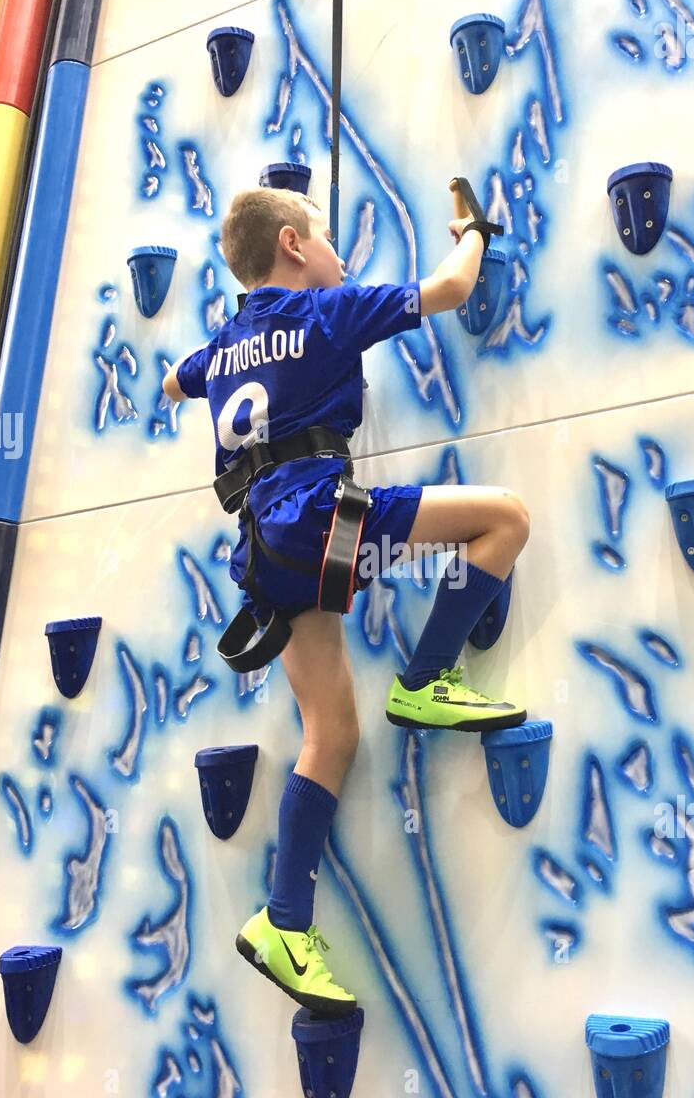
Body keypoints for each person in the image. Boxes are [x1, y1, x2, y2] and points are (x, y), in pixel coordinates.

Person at [163, 185, 529, 1017]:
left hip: (263, 553)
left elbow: (173, 383)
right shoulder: (328, 312)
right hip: (319, 519)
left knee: (331, 734)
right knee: (505, 520)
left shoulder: (221, 346)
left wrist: (198, 380)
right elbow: (450, 289)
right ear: (293, 244)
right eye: (327, 239)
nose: (338, 256)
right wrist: (472, 232)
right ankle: (427, 678)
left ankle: (284, 922)